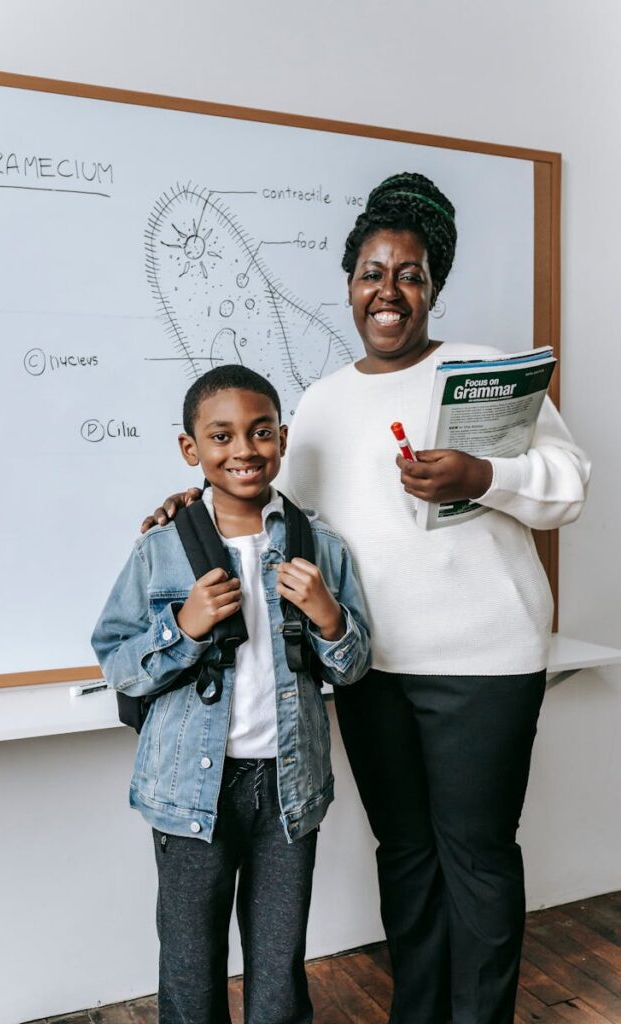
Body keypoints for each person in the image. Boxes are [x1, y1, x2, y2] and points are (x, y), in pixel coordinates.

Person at [143, 173, 591, 1024]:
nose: (388, 291)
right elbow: (270, 506)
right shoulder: (319, 404)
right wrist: (185, 508)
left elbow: (567, 487)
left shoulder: (485, 373)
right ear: (349, 283)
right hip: (368, 667)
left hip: (486, 664)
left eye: (411, 274)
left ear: (433, 288)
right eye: (371, 272)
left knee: (478, 855)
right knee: (407, 854)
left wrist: (482, 476)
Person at [92, 364, 371, 1024]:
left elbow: (354, 666)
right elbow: (117, 661)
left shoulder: (320, 545)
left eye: (260, 432)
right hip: (191, 791)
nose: (244, 450)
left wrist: (330, 619)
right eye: (221, 436)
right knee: (190, 968)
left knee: (278, 970)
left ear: (282, 437)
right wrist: (181, 626)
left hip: (287, 790)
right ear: (191, 449)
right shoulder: (161, 549)